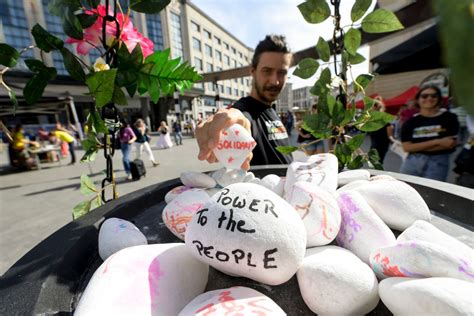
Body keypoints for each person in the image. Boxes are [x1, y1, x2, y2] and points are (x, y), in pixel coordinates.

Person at [196, 35, 293, 169]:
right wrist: (229, 123)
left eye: (282, 72)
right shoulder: (246, 110)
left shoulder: (270, 109)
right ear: (253, 71)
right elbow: (239, 117)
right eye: (267, 71)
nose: (274, 81)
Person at [399, 85, 459, 182]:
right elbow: (407, 147)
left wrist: (418, 146)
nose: (429, 98)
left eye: (433, 96)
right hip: (412, 162)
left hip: (438, 163)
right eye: (424, 96)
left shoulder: (449, 118)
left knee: (431, 194)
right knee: (405, 190)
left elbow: (450, 144)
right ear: (418, 100)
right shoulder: (411, 122)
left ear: (439, 99)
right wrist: (437, 141)